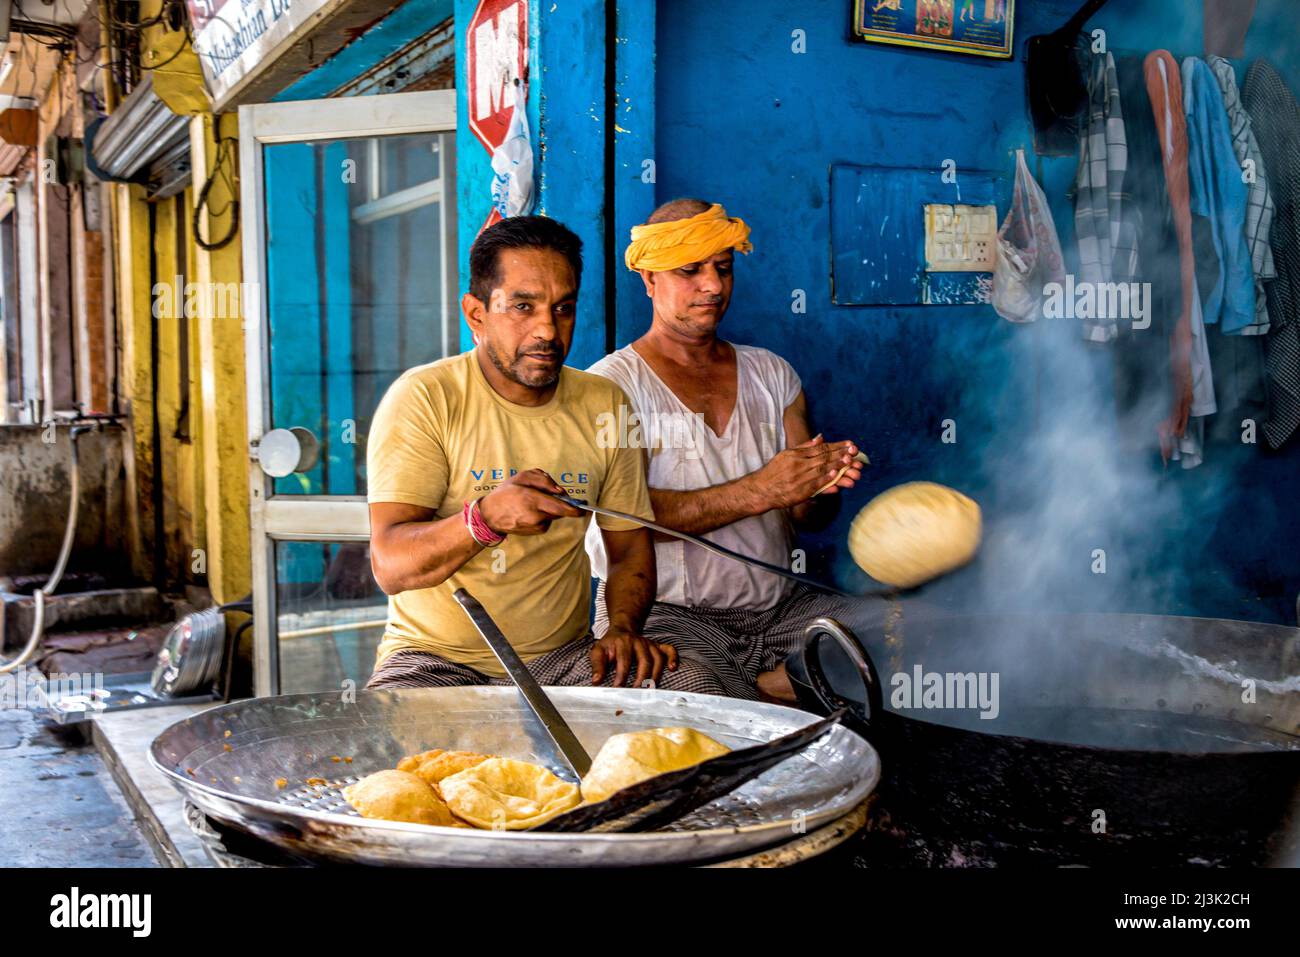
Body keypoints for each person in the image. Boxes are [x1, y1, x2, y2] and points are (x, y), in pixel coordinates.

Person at [364, 214, 724, 694]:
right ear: (476, 314)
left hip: (565, 659)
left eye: (563, 308)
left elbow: (629, 547)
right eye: (522, 307)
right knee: (396, 755)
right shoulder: (426, 397)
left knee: (695, 693)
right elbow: (390, 566)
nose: (547, 331)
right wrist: (485, 518)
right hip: (435, 660)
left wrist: (621, 630)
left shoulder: (605, 403)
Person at [585, 199, 867, 702]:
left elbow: (809, 516)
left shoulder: (772, 374)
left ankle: (762, 688)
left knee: (901, 635)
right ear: (649, 280)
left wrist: (821, 483)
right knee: (680, 688)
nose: (712, 286)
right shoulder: (609, 388)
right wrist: (761, 490)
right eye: (689, 270)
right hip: (668, 616)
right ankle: (773, 689)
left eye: (723, 268)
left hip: (779, 610)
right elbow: (618, 520)